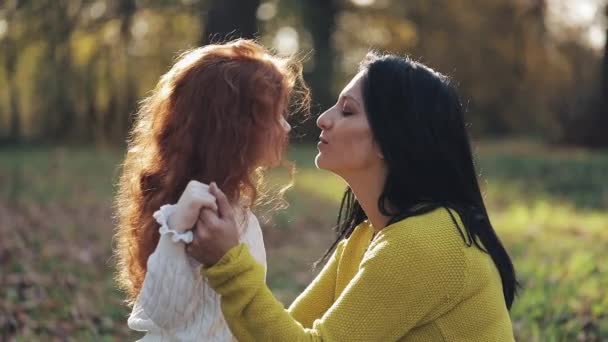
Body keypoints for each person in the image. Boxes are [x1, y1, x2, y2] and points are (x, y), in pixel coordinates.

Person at [184, 52, 518, 341]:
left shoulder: (425, 242)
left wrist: (229, 264)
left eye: (347, 111)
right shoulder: (364, 240)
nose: (323, 119)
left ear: (392, 138)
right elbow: (284, 332)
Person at [113, 39, 308, 341]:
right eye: (274, 116)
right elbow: (161, 314)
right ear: (234, 128)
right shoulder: (195, 210)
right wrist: (176, 227)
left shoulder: (232, 204)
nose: (285, 127)